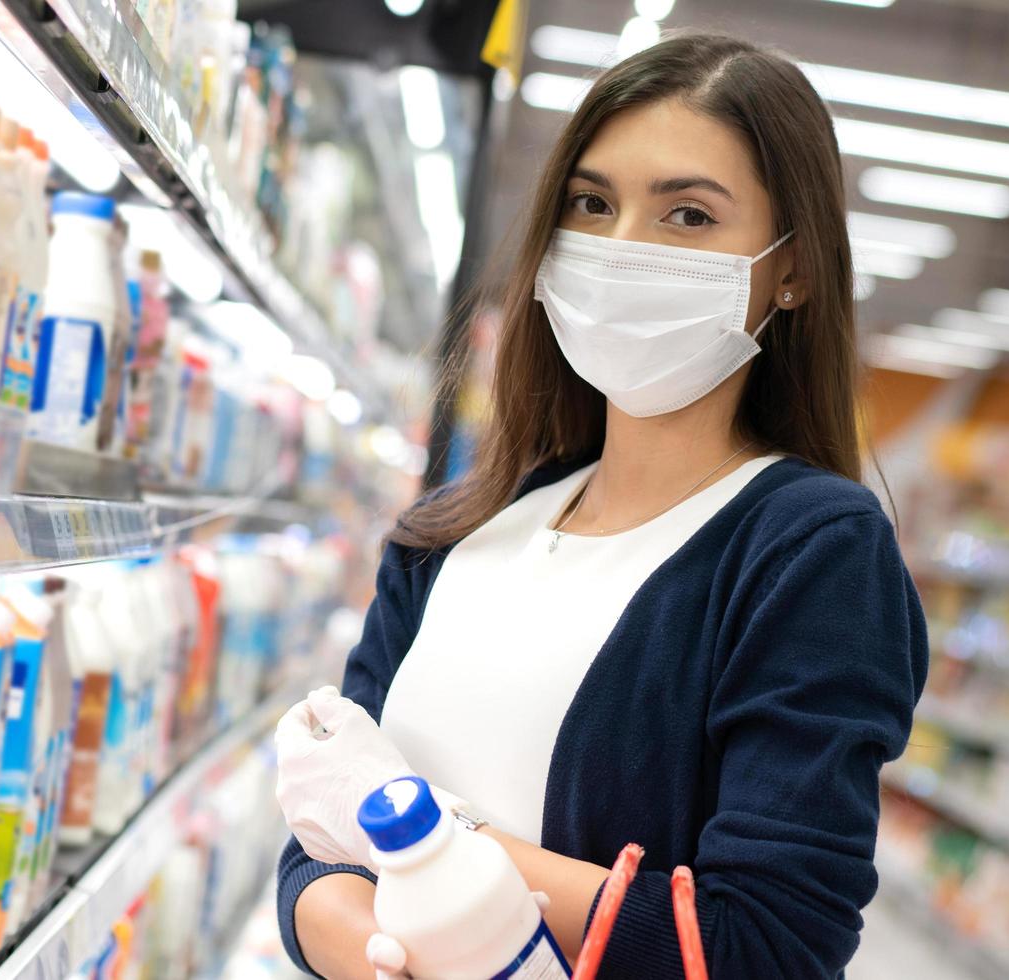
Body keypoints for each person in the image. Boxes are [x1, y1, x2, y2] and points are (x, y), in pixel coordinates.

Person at [272, 31, 929, 980]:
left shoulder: (811, 552)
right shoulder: (454, 534)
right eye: (591, 203)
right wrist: (364, 940)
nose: (619, 250)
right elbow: (315, 848)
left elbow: (768, 946)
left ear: (792, 271)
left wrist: (415, 833)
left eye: (689, 216)